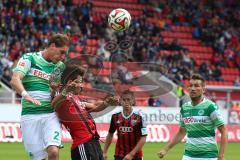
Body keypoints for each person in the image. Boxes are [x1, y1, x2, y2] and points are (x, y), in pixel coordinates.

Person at [10, 33, 70, 160]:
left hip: (50, 115)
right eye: (62, 52)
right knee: (38, 158)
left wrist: (56, 92)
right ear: (53, 46)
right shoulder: (30, 58)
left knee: (53, 152)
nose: (63, 57)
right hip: (29, 115)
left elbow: (57, 92)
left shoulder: (60, 67)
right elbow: (15, 80)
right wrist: (26, 95)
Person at [51, 64, 119, 160]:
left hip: (94, 142)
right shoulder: (62, 97)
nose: (82, 85)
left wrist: (107, 103)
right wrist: (66, 90)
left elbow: (95, 107)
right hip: (82, 144)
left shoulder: (76, 98)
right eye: (80, 82)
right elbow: (53, 105)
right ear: (71, 82)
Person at [158, 74, 228, 160]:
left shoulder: (210, 106)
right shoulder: (185, 108)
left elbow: (224, 131)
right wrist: (166, 149)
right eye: (190, 86)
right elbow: (181, 132)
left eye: (196, 86)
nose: (193, 88)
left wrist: (221, 156)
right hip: (188, 156)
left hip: (208, 156)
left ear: (203, 89)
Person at [103, 90, 147, 160]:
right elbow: (110, 134)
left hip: (136, 155)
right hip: (119, 154)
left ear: (133, 101)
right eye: (124, 100)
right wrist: (104, 152)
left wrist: (131, 154)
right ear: (120, 101)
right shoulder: (115, 116)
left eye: (128, 100)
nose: (126, 102)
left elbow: (143, 138)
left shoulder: (140, 117)